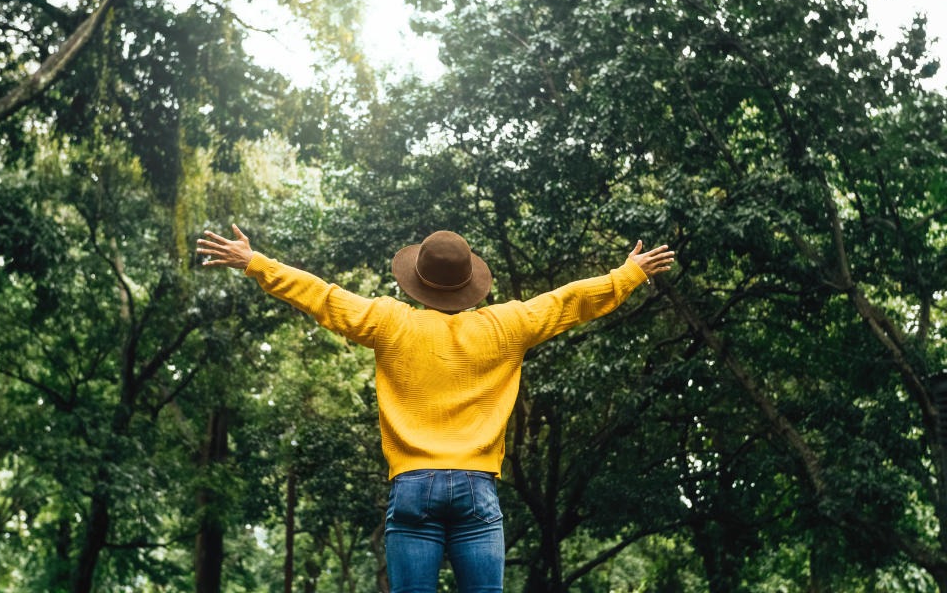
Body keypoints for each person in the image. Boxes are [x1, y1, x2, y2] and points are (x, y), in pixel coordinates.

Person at [196, 225, 674, 593]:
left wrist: (255, 262)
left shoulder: (389, 322)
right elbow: (569, 301)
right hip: (476, 488)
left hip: (411, 487)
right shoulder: (506, 325)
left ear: (415, 282)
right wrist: (628, 274)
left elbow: (323, 297)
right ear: (471, 284)